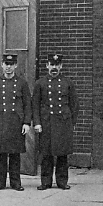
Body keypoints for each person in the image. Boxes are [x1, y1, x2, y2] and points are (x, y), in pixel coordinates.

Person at [0, 53, 32, 192]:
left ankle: (16, 183)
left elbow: (27, 104)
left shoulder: (22, 83)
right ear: (2, 65)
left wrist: (26, 122)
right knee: (0, 155)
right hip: (0, 122)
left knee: (15, 155)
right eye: (6, 64)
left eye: (11, 65)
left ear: (16, 65)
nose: (8, 67)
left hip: (16, 123)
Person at [33, 54, 80, 190]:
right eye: (51, 65)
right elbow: (35, 104)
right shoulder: (40, 83)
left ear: (61, 66)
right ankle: (46, 182)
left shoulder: (67, 83)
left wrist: (72, 123)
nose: (54, 68)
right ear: (47, 66)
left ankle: (62, 181)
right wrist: (37, 122)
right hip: (46, 123)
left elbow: (74, 105)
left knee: (62, 154)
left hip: (63, 123)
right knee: (46, 154)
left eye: (57, 65)